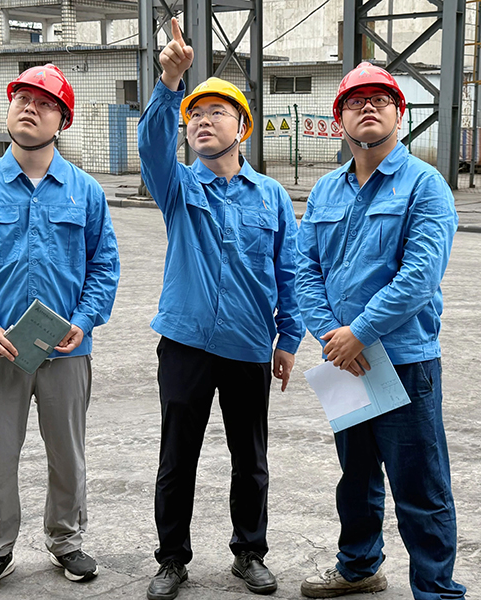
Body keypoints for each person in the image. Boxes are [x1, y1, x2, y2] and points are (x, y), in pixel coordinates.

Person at [137, 17, 304, 600]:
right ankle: (171, 560)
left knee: (250, 459)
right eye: (195, 116)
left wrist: (288, 339)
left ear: (243, 128)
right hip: (185, 342)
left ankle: (249, 552)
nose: (203, 121)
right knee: (176, 457)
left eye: (217, 113)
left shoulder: (272, 196)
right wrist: (169, 85)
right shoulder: (178, 187)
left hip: (249, 344)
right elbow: (151, 146)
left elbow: (288, 272)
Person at [0, 64, 120, 596]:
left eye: (44, 103)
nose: (30, 108)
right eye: (22, 98)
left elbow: (104, 267)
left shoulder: (85, 192)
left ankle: (66, 540)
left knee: (67, 451)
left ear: (62, 120)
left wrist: (83, 321)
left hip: (66, 350)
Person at [295, 63, 466, 600]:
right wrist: (333, 335)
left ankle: (436, 591)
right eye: (355, 100)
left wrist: (360, 332)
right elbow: (304, 270)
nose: (367, 106)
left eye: (380, 99)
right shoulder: (326, 190)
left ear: (400, 113)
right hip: (343, 361)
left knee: (420, 486)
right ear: (339, 119)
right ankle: (359, 568)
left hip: (405, 360)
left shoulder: (425, 185)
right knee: (356, 478)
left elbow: (420, 275)